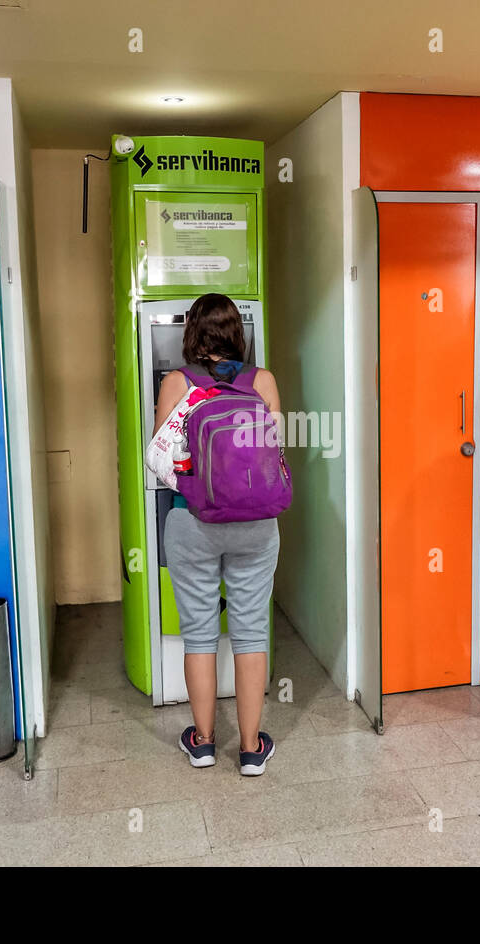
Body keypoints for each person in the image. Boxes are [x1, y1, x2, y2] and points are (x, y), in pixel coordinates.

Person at [154, 293, 282, 776]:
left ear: (192, 332)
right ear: (236, 331)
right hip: (255, 523)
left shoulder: (175, 383)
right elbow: (272, 455)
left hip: (193, 521)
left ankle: (203, 742)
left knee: (199, 635)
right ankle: (251, 749)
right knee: (251, 633)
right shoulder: (262, 380)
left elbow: (164, 463)